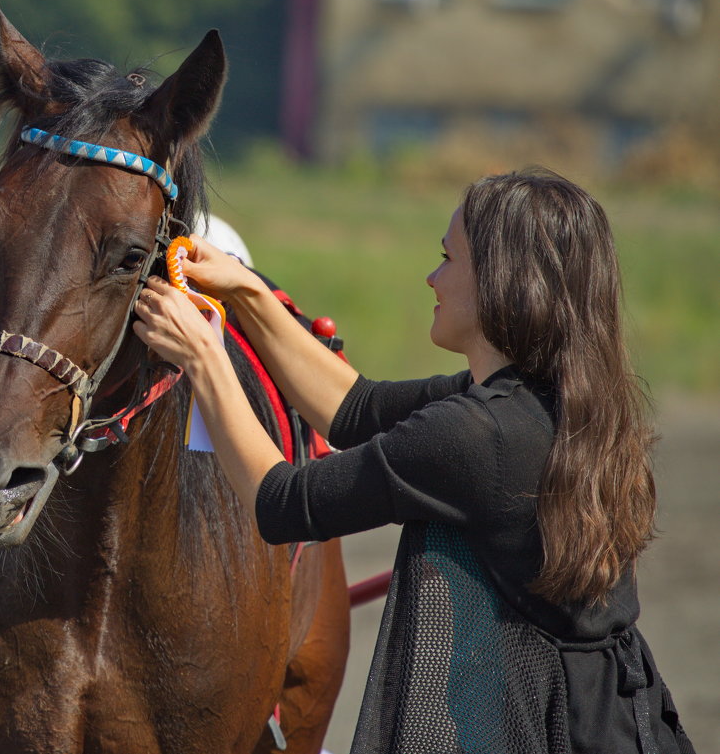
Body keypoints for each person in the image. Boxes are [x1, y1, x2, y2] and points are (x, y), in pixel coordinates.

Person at [132, 167, 695, 753]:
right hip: (614, 724)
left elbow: (282, 503)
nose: (432, 277)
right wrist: (246, 289)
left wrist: (206, 358)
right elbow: (354, 408)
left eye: (447, 259)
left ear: (502, 283)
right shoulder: (545, 400)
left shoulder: (474, 435)